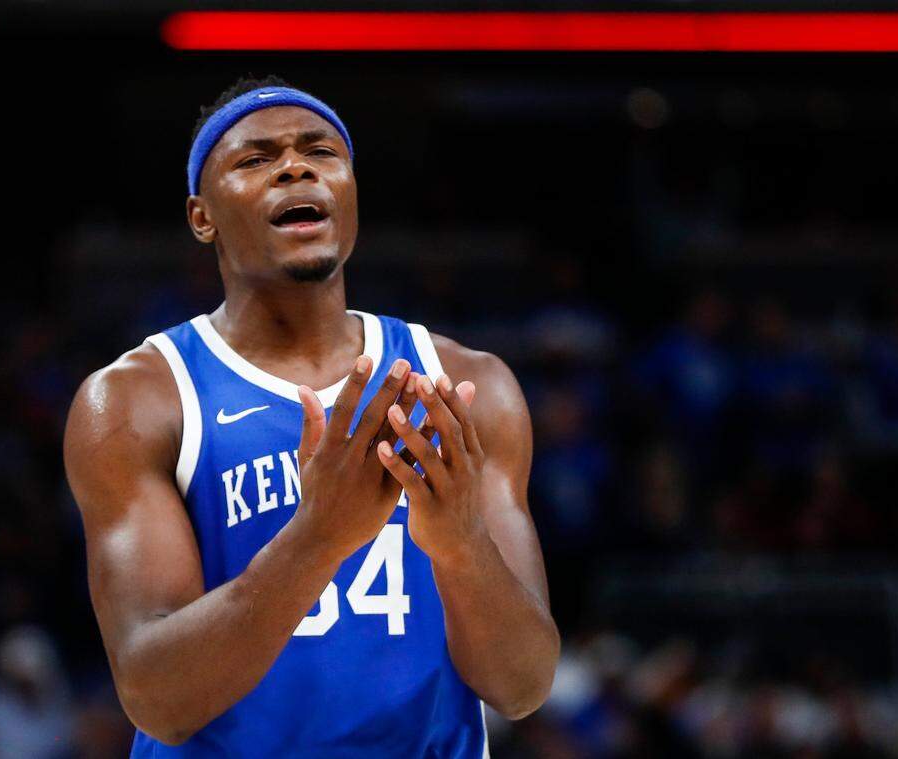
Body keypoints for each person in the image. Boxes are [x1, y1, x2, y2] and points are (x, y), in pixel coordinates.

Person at [63, 76, 560, 757]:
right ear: (201, 216)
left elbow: (523, 684)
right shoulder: (137, 401)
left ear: (350, 191)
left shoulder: (469, 384)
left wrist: (461, 542)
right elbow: (156, 696)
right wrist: (319, 537)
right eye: (256, 158)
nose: (295, 166)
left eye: (319, 151)